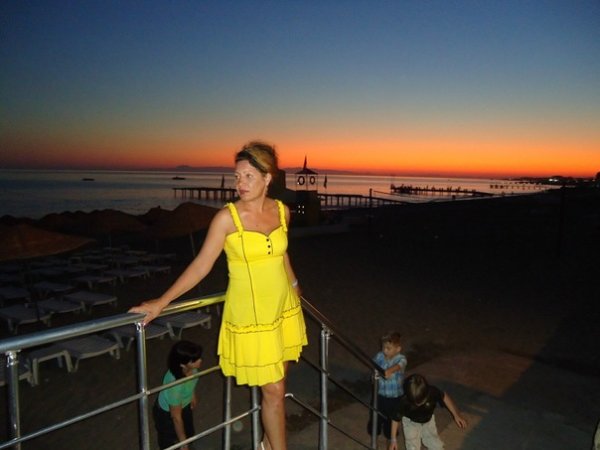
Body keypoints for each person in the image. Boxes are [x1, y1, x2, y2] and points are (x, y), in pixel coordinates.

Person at [130, 141, 308, 450]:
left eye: (248, 176)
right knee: (275, 391)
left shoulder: (282, 212)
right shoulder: (227, 218)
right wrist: (161, 302)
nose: (240, 183)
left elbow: (282, 254)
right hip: (252, 316)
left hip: (283, 308)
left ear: (268, 178)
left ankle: (267, 443)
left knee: (277, 387)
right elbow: (201, 265)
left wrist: (294, 286)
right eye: (237, 176)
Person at [388, 373, 467, 450]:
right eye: (415, 402)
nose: (418, 404)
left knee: (435, 445)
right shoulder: (403, 401)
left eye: (420, 401)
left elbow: (445, 397)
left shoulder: (432, 391)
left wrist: (456, 415)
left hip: (428, 421)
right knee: (413, 446)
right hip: (411, 423)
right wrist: (393, 440)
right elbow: (395, 419)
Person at [153, 340, 203, 450]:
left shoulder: (192, 369)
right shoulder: (175, 385)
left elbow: (191, 382)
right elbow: (176, 417)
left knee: (189, 433)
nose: (200, 361)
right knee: (171, 443)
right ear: (183, 364)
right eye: (195, 360)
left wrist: (192, 395)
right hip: (167, 414)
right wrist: (182, 441)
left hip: (183, 405)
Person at [369, 331, 407, 444]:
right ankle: (374, 442)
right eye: (383, 347)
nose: (385, 350)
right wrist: (374, 374)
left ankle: (390, 443)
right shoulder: (380, 355)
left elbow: (399, 365)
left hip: (394, 398)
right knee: (375, 419)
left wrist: (389, 370)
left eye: (388, 348)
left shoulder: (401, 358)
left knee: (391, 424)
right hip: (379, 395)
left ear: (398, 349)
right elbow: (373, 364)